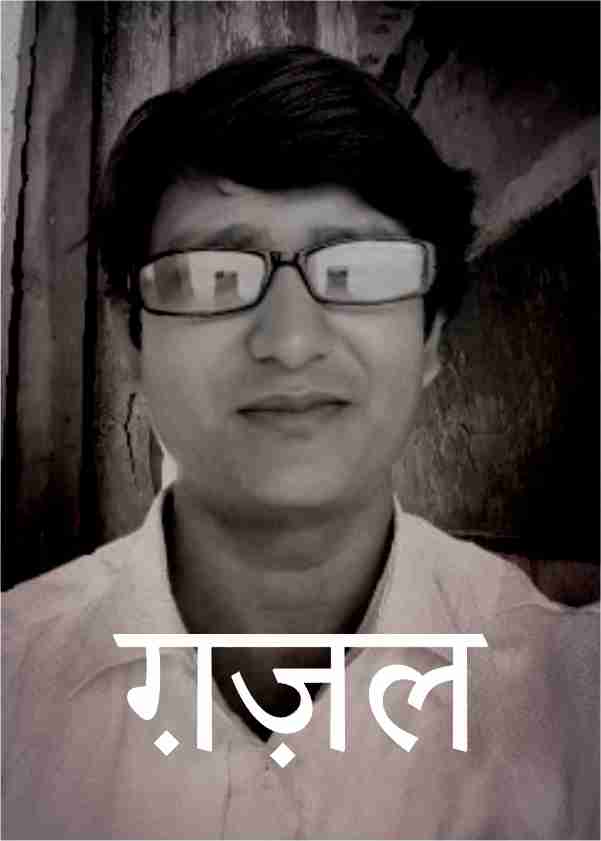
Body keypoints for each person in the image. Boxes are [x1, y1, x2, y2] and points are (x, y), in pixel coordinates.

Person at [2, 46, 598, 840]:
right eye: (214, 275)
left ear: (429, 337)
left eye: (357, 270)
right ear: (130, 342)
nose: (289, 341)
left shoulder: (574, 711)